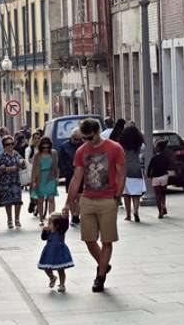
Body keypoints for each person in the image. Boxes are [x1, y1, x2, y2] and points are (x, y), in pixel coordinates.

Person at [63, 117, 126, 293]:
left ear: (98, 132)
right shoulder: (81, 151)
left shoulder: (114, 148)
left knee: (107, 240)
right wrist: (68, 203)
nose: (87, 141)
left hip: (108, 199)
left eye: (90, 137)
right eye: (84, 138)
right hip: (88, 199)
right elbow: (77, 178)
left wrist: (117, 197)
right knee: (89, 239)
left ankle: (100, 276)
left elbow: (122, 174)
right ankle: (104, 264)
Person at [38, 211, 73, 293]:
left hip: (59, 252)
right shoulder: (48, 231)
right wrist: (44, 231)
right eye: (48, 223)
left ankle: (62, 284)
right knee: (46, 268)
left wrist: (66, 217)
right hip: (49, 252)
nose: (48, 225)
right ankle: (52, 277)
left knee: (61, 269)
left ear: (57, 225)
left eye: (50, 223)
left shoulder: (61, 231)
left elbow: (65, 225)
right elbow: (43, 238)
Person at [0, 135, 27, 228]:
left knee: (17, 201)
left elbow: (23, 165)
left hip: (16, 181)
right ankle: (9, 220)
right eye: (8, 144)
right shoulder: (1, 155)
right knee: (8, 202)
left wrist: (22, 163)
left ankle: (17, 219)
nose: (10, 145)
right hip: (5, 182)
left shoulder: (16, 153)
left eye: (12, 143)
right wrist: (12, 168)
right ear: (4, 145)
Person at [119, 124, 145, 223]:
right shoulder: (139, 144)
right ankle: (136, 211)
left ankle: (128, 215)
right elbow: (143, 154)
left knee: (126, 194)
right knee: (136, 193)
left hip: (125, 170)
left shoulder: (121, 145)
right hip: (136, 169)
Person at [31, 137, 59, 224]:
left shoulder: (54, 153)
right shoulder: (37, 155)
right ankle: (41, 219)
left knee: (51, 199)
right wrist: (34, 181)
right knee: (40, 200)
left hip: (51, 177)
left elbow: (56, 166)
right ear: (41, 147)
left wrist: (57, 177)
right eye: (44, 147)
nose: (46, 149)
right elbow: (34, 168)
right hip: (40, 178)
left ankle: (51, 219)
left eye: (48, 147)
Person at [59, 128, 84, 225]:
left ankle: (76, 214)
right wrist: (64, 171)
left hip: (82, 173)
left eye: (79, 139)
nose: (77, 141)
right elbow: (61, 161)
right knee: (72, 196)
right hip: (70, 173)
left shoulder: (83, 145)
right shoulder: (64, 146)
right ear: (71, 137)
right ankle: (74, 215)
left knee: (80, 196)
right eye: (75, 139)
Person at [146, 139, 171, 218]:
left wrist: (148, 176)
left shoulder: (154, 158)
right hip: (164, 177)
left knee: (157, 195)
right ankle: (164, 205)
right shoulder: (166, 157)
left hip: (155, 178)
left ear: (158, 148)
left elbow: (149, 168)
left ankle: (160, 212)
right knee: (163, 193)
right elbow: (168, 166)